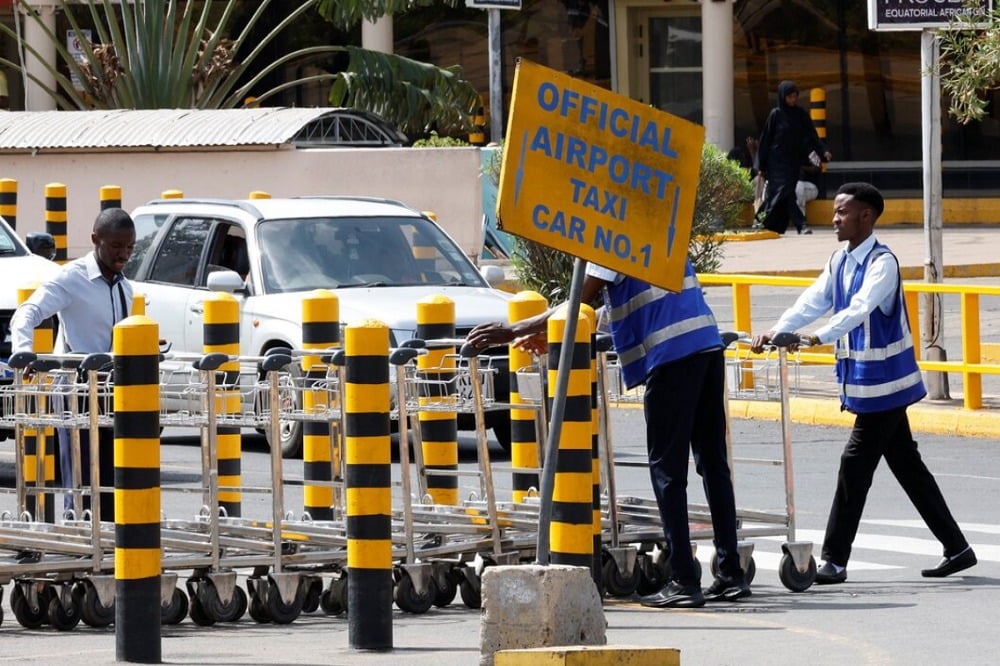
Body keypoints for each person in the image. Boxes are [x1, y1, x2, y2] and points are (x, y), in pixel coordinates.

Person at [468, 259, 750, 607]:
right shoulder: (657, 236)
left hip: (671, 357)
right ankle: (731, 574)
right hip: (706, 346)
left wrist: (513, 329)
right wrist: (554, 330)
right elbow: (620, 306)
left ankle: (684, 580)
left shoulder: (613, 244)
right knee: (713, 464)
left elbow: (579, 300)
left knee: (668, 474)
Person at [749, 182, 976, 584]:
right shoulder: (840, 260)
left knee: (854, 467)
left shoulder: (881, 264)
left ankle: (834, 560)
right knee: (907, 466)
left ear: (866, 217)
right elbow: (813, 301)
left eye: (842, 212)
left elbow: (859, 309)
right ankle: (958, 548)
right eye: (835, 212)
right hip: (868, 385)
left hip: (885, 386)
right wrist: (778, 330)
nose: (834, 219)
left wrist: (817, 337)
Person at [11, 208, 137, 523]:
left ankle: (107, 540)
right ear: (96, 240)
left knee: (111, 475)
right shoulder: (73, 278)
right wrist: (24, 350)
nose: (123, 254)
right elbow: (26, 313)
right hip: (75, 390)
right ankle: (77, 534)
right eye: (116, 246)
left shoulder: (125, 287)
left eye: (129, 247)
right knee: (80, 473)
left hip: (111, 390)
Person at [756, 81, 832, 235]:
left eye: (794, 96)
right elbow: (766, 141)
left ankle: (762, 220)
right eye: (789, 97)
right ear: (782, 97)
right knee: (785, 192)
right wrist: (761, 166)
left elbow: (811, 136)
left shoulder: (800, 114)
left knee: (786, 193)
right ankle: (800, 224)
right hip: (775, 163)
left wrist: (823, 151)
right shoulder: (776, 115)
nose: (792, 100)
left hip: (792, 162)